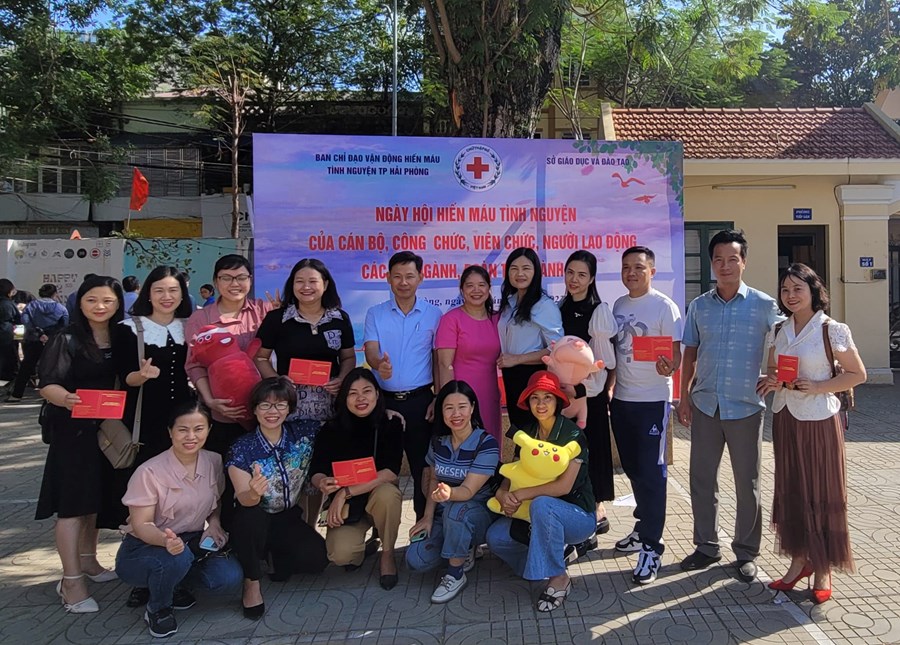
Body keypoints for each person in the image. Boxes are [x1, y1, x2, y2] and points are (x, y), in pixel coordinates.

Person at [677, 230, 781, 583]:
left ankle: (746, 552)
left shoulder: (765, 305)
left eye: (732, 259)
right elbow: (690, 353)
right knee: (702, 479)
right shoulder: (699, 306)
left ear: (744, 262)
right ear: (711, 264)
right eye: (718, 260)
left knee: (747, 484)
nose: (725, 266)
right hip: (706, 404)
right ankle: (706, 546)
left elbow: (786, 341)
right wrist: (684, 396)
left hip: (746, 406)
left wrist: (776, 375)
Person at [758, 264, 865, 603]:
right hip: (786, 416)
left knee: (820, 491)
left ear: (813, 290)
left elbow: (857, 374)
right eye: (785, 289)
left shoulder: (831, 329)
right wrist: (772, 380)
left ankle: (822, 568)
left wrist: (818, 386)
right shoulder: (778, 329)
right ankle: (799, 560)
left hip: (819, 420)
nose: (790, 295)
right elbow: (774, 368)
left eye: (797, 289)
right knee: (792, 489)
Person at [35, 275, 125, 614]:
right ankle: (71, 581)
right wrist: (66, 398)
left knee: (93, 501)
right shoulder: (67, 337)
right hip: (73, 432)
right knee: (72, 506)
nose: (100, 306)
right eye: (92, 300)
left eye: (108, 301)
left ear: (118, 304)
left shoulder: (121, 335)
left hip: (107, 431)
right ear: (80, 303)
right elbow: (47, 383)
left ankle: (88, 560)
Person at [115, 401, 242, 638]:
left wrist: (214, 524)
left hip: (190, 541)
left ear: (209, 430)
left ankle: (173, 584)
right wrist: (165, 541)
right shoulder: (149, 471)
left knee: (228, 576)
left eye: (199, 429)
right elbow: (141, 525)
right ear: (170, 432)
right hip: (144, 547)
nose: (191, 437)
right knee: (176, 557)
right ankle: (158, 608)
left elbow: (215, 501)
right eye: (183, 430)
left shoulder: (214, 461)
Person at [255, 258, 355, 526]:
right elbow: (260, 357)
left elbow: (348, 358)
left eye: (313, 281)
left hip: (328, 410)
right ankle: (293, 531)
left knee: (320, 470)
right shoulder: (277, 318)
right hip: (289, 411)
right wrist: (278, 381)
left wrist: (342, 379)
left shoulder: (339, 319)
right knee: (293, 471)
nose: (306, 287)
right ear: (292, 285)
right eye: (300, 281)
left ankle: (310, 529)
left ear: (326, 284)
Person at [485, 370, 595, 613]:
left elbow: (563, 486)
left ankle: (559, 577)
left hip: (577, 515)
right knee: (496, 537)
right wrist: (503, 494)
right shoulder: (526, 432)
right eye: (535, 398)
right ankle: (548, 559)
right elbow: (512, 471)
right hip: (532, 514)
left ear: (558, 401)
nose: (541, 404)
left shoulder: (573, 435)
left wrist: (521, 495)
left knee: (543, 504)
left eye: (548, 397)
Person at [609, 246, 683, 584]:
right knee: (634, 470)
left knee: (652, 476)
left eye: (638, 267)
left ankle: (652, 547)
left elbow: (675, 356)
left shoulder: (664, 306)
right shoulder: (619, 305)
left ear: (651, 271)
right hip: (622, 401)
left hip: (652, 402)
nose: (631, 273)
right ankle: (643, 528)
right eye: (626, 267)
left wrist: (669, 365)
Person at [227, 377, 328, 619]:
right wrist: (254, 492)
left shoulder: (303, 433)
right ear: (254, 409)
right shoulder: (242, 447)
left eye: (280, 405)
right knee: (250, 518)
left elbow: (345, 423)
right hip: (254, 516)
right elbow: (244, 499)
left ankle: (274, 555)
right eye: (265, 405)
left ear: (289, 408)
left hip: (287, 515)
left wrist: (384, 412)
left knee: (317, 559)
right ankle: (251, 582)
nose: (273, 412)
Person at [184, 254, 272, 528]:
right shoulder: (200, 318)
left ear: (250, 280)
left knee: (263, 479)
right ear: (215, 281)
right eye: (227, 278)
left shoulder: (264, 312)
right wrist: (210, 400)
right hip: (222, 414)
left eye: (241, 277)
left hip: (264, 415)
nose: (235, 283)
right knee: (222, 480)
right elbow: (194, 365)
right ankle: (221, 535)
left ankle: (262, 541)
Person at [309, 368, 404, 590]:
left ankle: (387, 555)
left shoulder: (390, 423)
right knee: (340, 554)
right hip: (349, 507)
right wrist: (322, 482)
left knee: (388, 494)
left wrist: (345, 492)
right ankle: (360, 549)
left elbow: (390, 471)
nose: (361, 398)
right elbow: (317, 470)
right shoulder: (331, 429)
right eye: (353, 393)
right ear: (344, 397)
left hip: (376, 494)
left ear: (377, 394)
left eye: (367, 391)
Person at [406, 380, 499, 603]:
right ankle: (462, 547)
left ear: (472, 408)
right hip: (445, 515)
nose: (456, 414)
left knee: (456, 510)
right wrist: (428, 517)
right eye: (449, 408)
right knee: (416, 559)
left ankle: (455, 574)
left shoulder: (486, 443)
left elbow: (467, 491)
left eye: (462, 406)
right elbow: (433, 479)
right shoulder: (438, 442)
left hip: (477, 513)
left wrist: (449, 493)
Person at [364, 251, 441, 520]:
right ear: (388, 278)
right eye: (397, 276)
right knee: (381, 467)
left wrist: (438, 397)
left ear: (421, 277)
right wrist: (378, 364)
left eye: (410, 276)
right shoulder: (375, 314)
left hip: (421, 403)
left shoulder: (434, 314)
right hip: (384, 404)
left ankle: (423, 524)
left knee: (423, 468)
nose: (403, 282)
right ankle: (377, 530)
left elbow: (437, 360)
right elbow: (370, 351)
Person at [558, 250, 617, 542]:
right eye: (570, 273)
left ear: (592, 278)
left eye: (581, 275)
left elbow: (604, 364)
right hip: (562, 398)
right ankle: (571, 507)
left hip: (589, 397)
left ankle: (596, 509)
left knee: (593, 452)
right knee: (568, 454)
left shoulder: (599, 312)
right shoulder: (559, 308)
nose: (574, 280)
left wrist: (581, 390)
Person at [114, 267, 195, 465]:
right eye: (159, 290)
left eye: (173, 290)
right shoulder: (127, 329)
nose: (167, 296)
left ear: (182, 294)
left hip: (185, 416)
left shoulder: (192, 326)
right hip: (144, 416)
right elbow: (126, 377)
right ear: (148, 294)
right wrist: (141, 375)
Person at [497, 247, 563, 432]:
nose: (520, 273)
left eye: (526, 268)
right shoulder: (509, 302)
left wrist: (518, 359)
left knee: (533, 434)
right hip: (511, 376)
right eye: (514, 268)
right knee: (519, 432)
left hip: (533, 377)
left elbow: (557, 349)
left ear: (536, 272)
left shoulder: (544, 305)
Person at [435, 266, 502, 444]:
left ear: (489, 288)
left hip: (489, 395)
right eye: (470, 285)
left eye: (481, 285)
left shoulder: (498, 319)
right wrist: (450, 401)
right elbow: (444, 365)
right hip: (461, 397)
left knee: (489, 445)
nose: (476, 290)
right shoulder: (451, 319)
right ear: (462, 290)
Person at [7, 283, 68, 402]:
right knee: (53, 367)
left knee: (26, 366)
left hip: (34, 340)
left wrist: (39, 334)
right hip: (53, 341)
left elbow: (25, 321)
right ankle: (52, 394)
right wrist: (50, 335)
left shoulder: (31, 306)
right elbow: (64, 324)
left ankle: (16, 394)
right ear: (55, 294)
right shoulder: (60, 308)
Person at [0, 278, 20, 383]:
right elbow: (18, 321)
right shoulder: (9, 304)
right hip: (7, 334)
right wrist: (19, 337)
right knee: (9, 358)